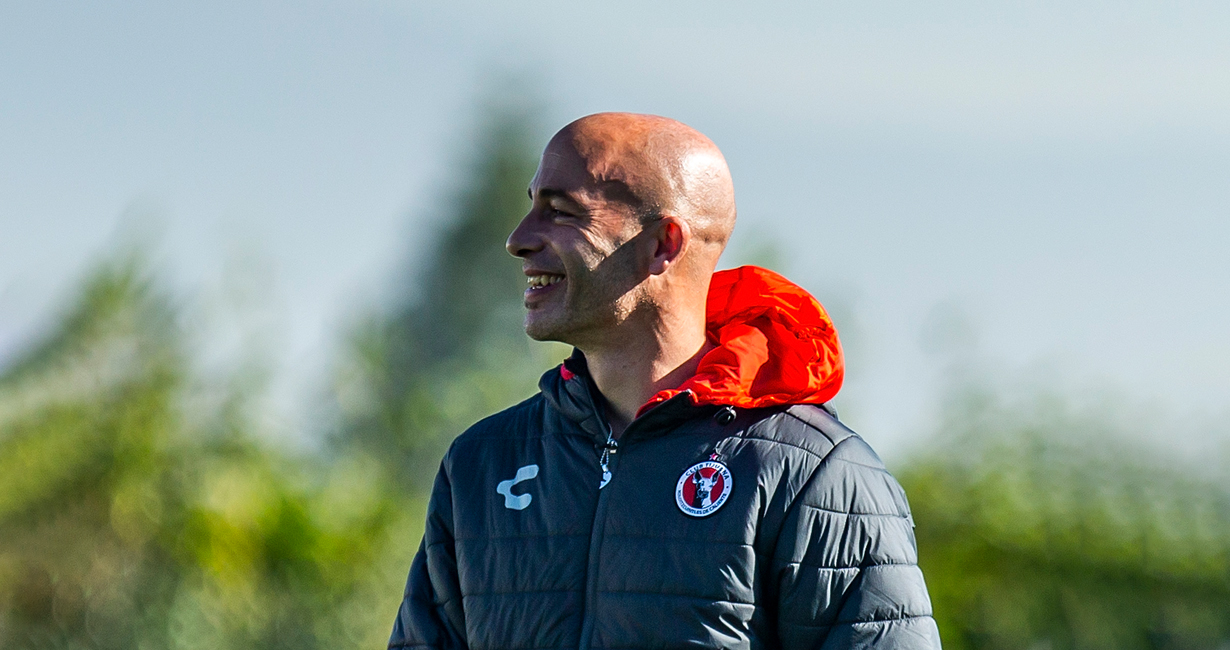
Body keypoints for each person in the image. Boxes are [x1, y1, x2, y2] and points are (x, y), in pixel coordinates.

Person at [389, 113, 941, 649]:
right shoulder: (483, 463)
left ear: (662, 245)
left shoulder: (815, 473)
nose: (518, 239)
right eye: (531, 206)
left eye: (561, 212)